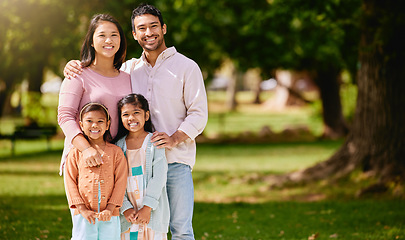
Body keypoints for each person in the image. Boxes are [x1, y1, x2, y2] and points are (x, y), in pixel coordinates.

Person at [64, 4, 208, 239]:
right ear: (134, 34)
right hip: (135, 164)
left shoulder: (186, 67)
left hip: (175, 161)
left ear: (164, 28)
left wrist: (174, 138)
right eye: (142, 28)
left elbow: (199, 113)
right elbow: (101, 70)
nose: (148, 32)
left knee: (181, 229)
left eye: (153, 26)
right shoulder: (130, 69)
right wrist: (74, 64)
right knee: (134, 229)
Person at [58, 13, 131, 176]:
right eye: (102, 35)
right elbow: (65, 116)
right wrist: (86, 149)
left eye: (114, 35)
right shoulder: (77, 74)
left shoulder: (128, 77)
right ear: (91, 41)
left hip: (117, 159)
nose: (108, 40)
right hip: (84, 158)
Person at [64, 103, 128, 239]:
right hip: (83, 215)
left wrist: (110, 209)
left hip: (109, 214)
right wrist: (82, 209)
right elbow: (70, 182)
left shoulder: (116, 152)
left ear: (107, 124)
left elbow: (121, 182)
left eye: (100, 121)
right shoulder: (75, 153)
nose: (95, 125)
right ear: (81, 125)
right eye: (89, 121)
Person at [114, 93, 169, 239]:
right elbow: (116, 181)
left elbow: (159, 176)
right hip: (129, 215)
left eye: (136, 113)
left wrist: (147, 207)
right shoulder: (118, 146)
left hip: (152, 212)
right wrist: (125, 208)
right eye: (126, 114)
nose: (131, 118)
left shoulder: (154, 142)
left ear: (146, 116)